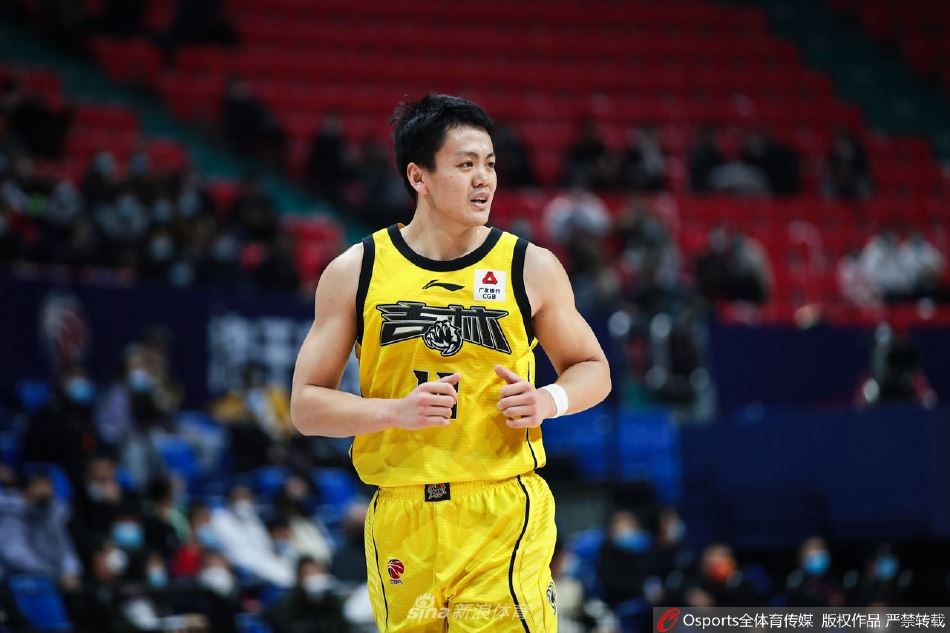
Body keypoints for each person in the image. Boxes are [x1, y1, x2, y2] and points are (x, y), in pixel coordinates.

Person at [290, 94, 611, 632]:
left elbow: (593, 368)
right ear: (418, 176)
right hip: (400, 515)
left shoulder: (528, 266)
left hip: (500, 509)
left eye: (489, 164)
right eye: (465, 165)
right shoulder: (356, 271)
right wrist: (395, 412)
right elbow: (305, 407)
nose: (483, 179)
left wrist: (548, 400)